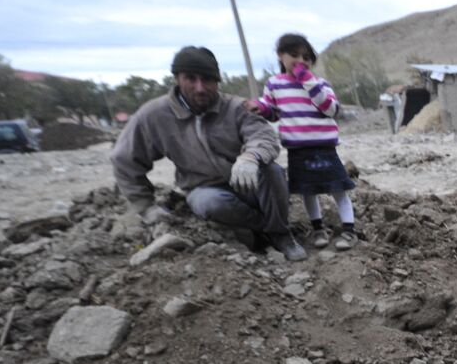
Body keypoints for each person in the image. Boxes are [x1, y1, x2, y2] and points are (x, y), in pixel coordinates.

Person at [112, 45, 306, 261]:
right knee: (210, 203)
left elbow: (264, 136)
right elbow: (124, 159)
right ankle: (262, 229)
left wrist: (250, 157)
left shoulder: (235, 107)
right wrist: (146, 207)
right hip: (203, 188)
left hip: (246, 182)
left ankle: (281, 234)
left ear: (217, 81)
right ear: (177, 78)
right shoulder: (154, 115)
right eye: (191, 79)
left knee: (273, 172)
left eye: (207, 80)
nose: (200, 87)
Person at [246, 34, 359, 251]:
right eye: (294, 55)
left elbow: (331, 109)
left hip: (325, 147)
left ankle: (349, 230)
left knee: (339, 189)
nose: (301, 61)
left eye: (306, 57)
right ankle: (318, 229)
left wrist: (308, 81)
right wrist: (259, 108)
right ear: (281, 56)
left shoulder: (320, 84)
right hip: (298, 149)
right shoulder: (275, 84)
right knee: (308, 191)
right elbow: (273, 113)